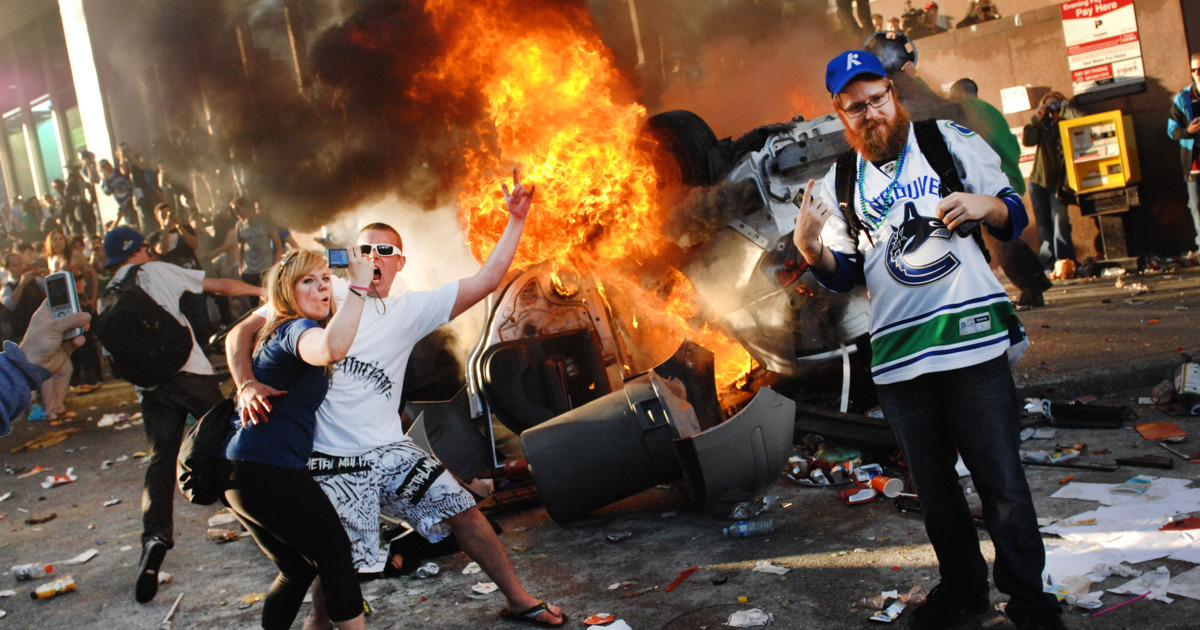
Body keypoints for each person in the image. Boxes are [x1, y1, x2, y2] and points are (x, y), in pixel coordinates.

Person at [792, 50, 1063, 630]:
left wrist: (984, 205)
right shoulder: (841, 180)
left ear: (893, 94)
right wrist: (812, 250)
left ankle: (1032, 604)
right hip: (899, 360)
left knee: (1003, 484)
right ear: (840, 114)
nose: (871, 114)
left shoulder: (945, 141)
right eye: (855, 107)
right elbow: (847, 274)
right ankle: (964, 594)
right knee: (937, 495)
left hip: (971, 344)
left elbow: (1013, 214)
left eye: (877, 100)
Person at [229, 170, 568, 628]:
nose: (373, 257)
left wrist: (516, 221)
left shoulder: (411, 309)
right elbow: (243, 329)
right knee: (339, 568)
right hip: (330, 459)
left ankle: (518, 598)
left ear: (399, 262)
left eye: (384, 251)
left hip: (390, 449)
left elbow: (487, 280)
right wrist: (245, 381)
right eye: (365, 249)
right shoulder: (326, 292)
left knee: (463, 510)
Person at [98, 226, 264, 603]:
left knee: (161, 461)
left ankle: (155, 538)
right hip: (190, 375)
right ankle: (262, 521)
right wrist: (262, 293)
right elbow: (220, 285)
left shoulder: (105, 297)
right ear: (140, 250)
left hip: (152, 389)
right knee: (233, 441)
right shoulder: (154, 270)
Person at [221, 248, 373, 630]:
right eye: (308, 281)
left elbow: (239, 332)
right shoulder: (296, 329)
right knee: (336, 553)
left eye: (325, 279)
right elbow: (331, 349)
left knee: (297, 567)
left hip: (242, 474)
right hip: (268, 472)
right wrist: (358, 284)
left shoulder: (275, 327)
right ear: (287, 292)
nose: (322, 288)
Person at [0, 301, 90, 434]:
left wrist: (22, 366)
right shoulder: (12, 288)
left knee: (63, 370)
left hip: (43, 341)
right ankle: (51, 412)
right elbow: (10, 305)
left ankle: (58, 408)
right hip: (27, 340)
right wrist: (21, 367)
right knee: (47, 377)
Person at [1023, 91, 1084, 271]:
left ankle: (1065, 262)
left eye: (1055, 104)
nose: (1053, 109)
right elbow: (1028, 139)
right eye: (1048, 106)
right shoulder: (1043, 126)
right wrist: (1037, 118)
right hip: (1038, 181)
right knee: (1043, 224)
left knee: (1060, 222)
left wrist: (1065, 109)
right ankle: (1049, 264)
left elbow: (1083, 120)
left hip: (1060, 182)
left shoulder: (1067, 121)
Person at [1168, 51, 1200, 253]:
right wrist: (1188, 131)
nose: (1198, 73)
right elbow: (1171, 130)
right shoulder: (1183, 98)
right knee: (1196, 206)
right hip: (1194, 163)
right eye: (1194, 70)